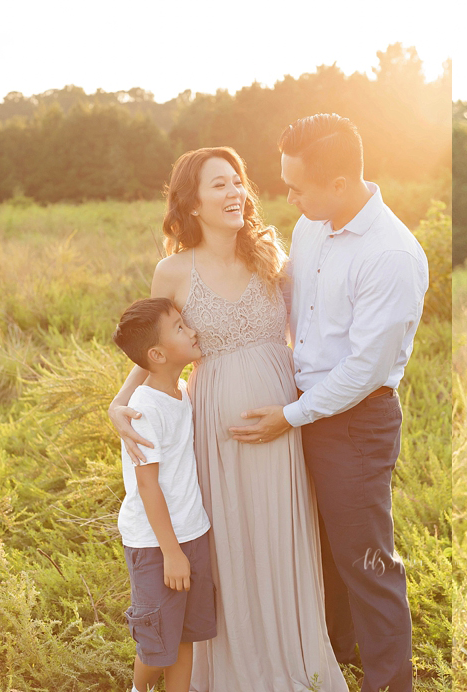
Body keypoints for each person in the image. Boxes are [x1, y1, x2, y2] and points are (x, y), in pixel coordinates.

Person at [109, 147, 347, 691]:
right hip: (213, 425)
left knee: (279, 533)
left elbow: (305, 334)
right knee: (229, 542)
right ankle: (233, 666)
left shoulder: (271, 256)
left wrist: (301, 409)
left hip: (282, 419)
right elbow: (151, 348)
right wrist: (117, 399)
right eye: (218, 185)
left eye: (237, 181)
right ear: (191, 203)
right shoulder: (172, 269)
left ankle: (291, 656)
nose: (234, 192)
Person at [227, 113, 428, 692]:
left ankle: (390, 683)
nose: (287, 198)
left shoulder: (391, 255)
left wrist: (289, 416)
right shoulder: (314, 225)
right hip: (300, 405)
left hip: (354, 422)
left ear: (339, 183)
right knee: (315, 549)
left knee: (366, 560)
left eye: (296, 186)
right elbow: (295, 296)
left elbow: (365, 369)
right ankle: (333, 659)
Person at [112, 297, 215, 692]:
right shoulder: (144, 409)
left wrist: (185, 546)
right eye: (179, 328)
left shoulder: (183, 391)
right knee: (157, 643)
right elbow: (147, 484)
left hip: (192, 532)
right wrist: (172, 552)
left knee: (186, 634)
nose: (191, 330)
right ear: (155, 354)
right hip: (157, 545)